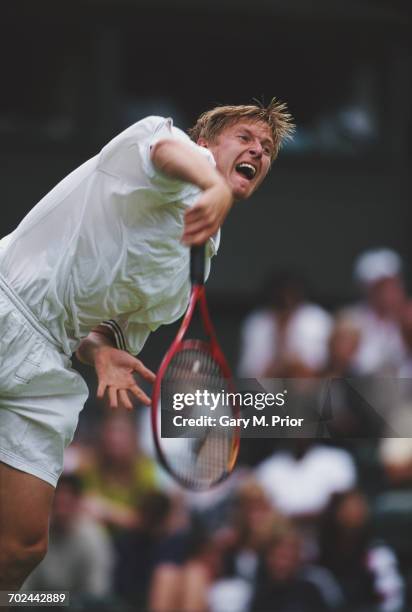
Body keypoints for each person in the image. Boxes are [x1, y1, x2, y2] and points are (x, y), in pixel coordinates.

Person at [0, 99, 294, 588]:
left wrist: (100, 351)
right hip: (7, 301)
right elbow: (163, 149)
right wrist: (212, 183)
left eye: (266, 150)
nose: (258, 152)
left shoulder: (192, 270)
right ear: (205, 143)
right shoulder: (169, 155)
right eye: (245, 137)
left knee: (22, 548)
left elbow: (106, 328)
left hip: (49, 363)